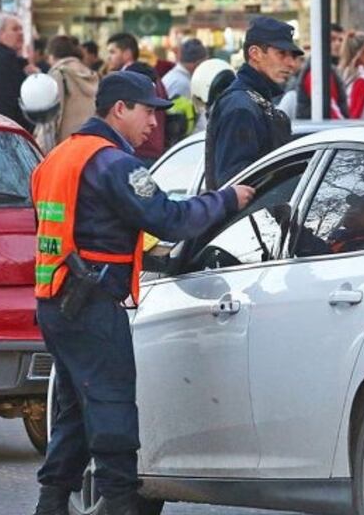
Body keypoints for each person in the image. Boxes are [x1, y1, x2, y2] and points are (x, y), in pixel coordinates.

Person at [30, 70, 255, 515]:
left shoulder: (59, 158)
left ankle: (51, 502)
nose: (155, 122)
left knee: (75, 413)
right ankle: (119, 503)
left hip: (55, 302)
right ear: (119, 109)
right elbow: (169, 219)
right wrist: (227, 200)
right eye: (148, 111)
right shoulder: (114, 163)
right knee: (111, 407)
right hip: (91, 302)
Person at [205, 16, 297, 190]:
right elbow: (234, 183)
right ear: (255, 54)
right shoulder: (240, 107)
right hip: (249, 216)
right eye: (282, 54)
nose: (291, 63)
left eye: (292, 55)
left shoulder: (256, 101)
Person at [106, 32, 168, 165]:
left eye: (112, 52)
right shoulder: (153, 76)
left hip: (139, 149)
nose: (108, 57)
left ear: (127, 53)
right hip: (154, 148)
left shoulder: (128, 79)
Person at [278, 23, 350, 120]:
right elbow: (332, 111)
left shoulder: (328, 68)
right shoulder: (318, 72)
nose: (337, 44)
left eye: (341, 40)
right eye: (332, 39)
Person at [0, 13, 38, 132]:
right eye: (15, 29)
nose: (21, 33)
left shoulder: (11, 59)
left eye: (21, 29)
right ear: (1, 34)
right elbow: (3, 103)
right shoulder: (1, 61)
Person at [47, 34, 100, 146]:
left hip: (66, 144)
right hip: (91, 142)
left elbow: (52, 117)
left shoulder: (59, 74)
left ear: (52, 55)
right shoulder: (91, 74)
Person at [162, 39, 208, 142]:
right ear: (197, 62)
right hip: (183, 145)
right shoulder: (182, 84)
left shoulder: (175, 77)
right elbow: (178, 121)